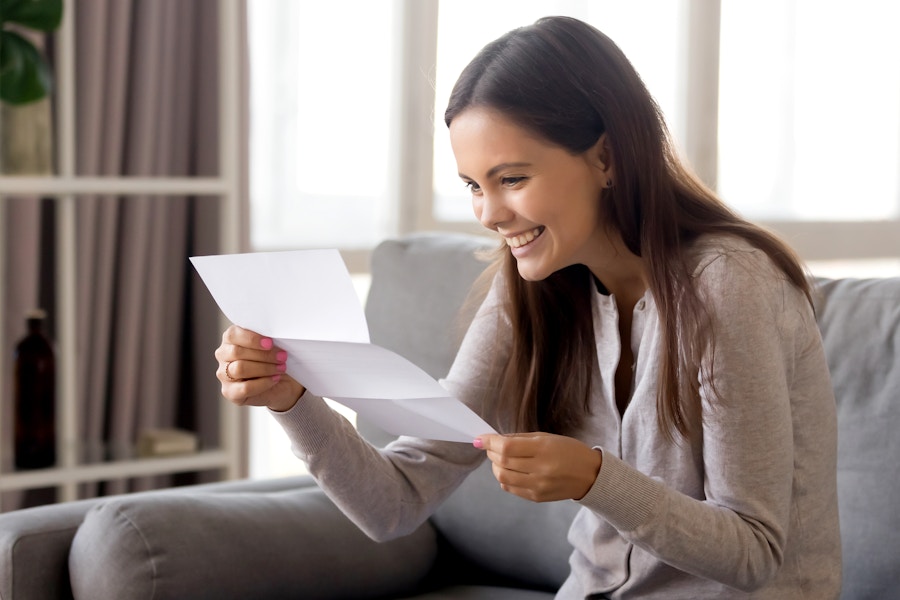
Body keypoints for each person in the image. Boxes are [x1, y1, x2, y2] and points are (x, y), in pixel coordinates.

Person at [215, 16, 841, 599]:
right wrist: (291, 402)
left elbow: (755, 553)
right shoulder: (526, 290)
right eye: (473, 186)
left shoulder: (728, 285)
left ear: (606, 157)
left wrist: (597, 480)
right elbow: (394, 503)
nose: (488, 214)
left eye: (512, 179)